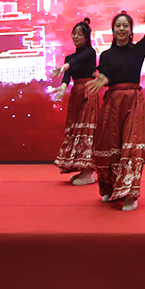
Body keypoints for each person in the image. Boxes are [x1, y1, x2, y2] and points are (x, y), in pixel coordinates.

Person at [86, 11, 145, 211]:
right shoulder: (106, 55)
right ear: (113, 30)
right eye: (118, 26)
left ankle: (130, 195)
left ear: (131, 30)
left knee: (131, 146)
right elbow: (106, 75)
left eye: (125, 26)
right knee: (109, 144)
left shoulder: (137, 50)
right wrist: (103, 79)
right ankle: (110, 188)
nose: (121, 29)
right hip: (113, 102)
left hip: (133, 101)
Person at [51, 18, 100, 185]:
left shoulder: (90, 52)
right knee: (76, 130)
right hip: (76, 94)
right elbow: (67, 76)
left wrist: (66, 66)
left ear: (86, 37)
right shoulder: (69, 57)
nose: (76, 36)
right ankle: (82, 169)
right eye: (74, 33)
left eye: (80, 34)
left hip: (88, 92)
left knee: (87, 129)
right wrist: (63, 87)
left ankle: (88, 172)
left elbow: (77, 61)